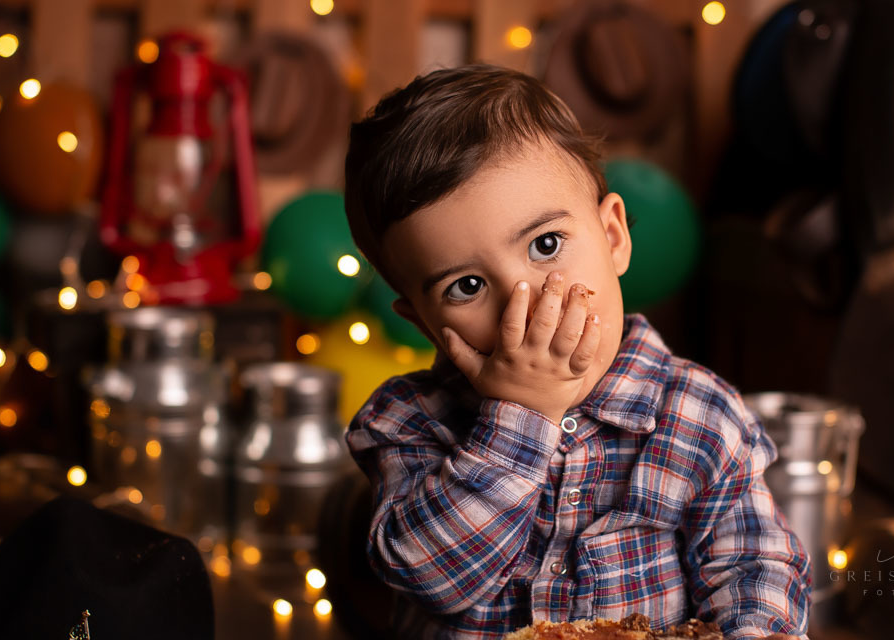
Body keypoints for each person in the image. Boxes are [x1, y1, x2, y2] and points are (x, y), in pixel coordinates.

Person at [343, 65, 811, 639]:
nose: (528, 301)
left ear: (612, 236)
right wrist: (522, 416)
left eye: (545, 245)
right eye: (466, 286)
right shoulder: (408, 421)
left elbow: (754, 568)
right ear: (425, 322)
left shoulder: (700, 414)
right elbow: (431, 577)